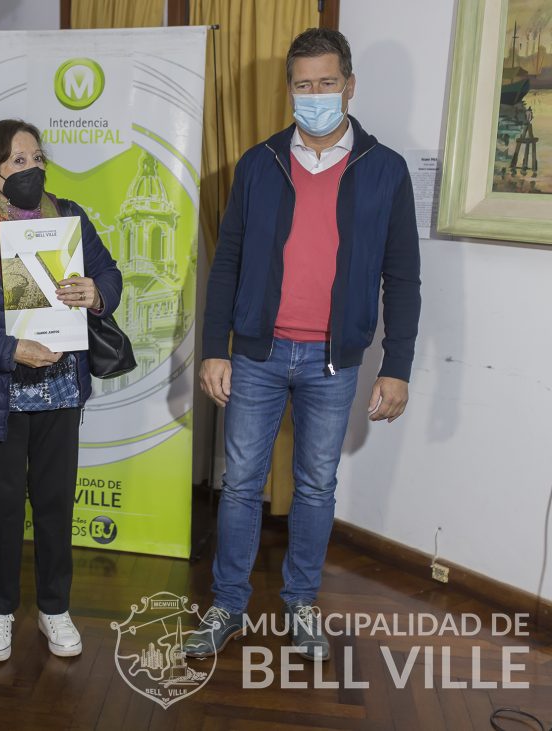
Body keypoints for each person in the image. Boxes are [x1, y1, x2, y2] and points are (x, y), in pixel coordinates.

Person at [184, 28, 421, 663]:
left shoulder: (386, 170)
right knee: (240, 485)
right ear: (289, 88)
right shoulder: (260, 163)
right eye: (302, 85)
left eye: (326, 83)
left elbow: (401, 277)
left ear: (349, 85)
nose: (314, 95)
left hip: (332, 360)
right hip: (258, 354)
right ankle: (228, 605)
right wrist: (215, 347)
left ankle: (301, 604)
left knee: (316, 485)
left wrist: (396, 366)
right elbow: (227, 260)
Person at [0, 119, 123, 662]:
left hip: (60, 392)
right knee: (2, 509)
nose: (31, 169)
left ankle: (55, 609)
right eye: (18, 161)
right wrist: (10, 349)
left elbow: (111, 275)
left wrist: (96, 291)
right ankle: (0, 611)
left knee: (56, 507)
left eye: (37, 159)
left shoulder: (70, 217)